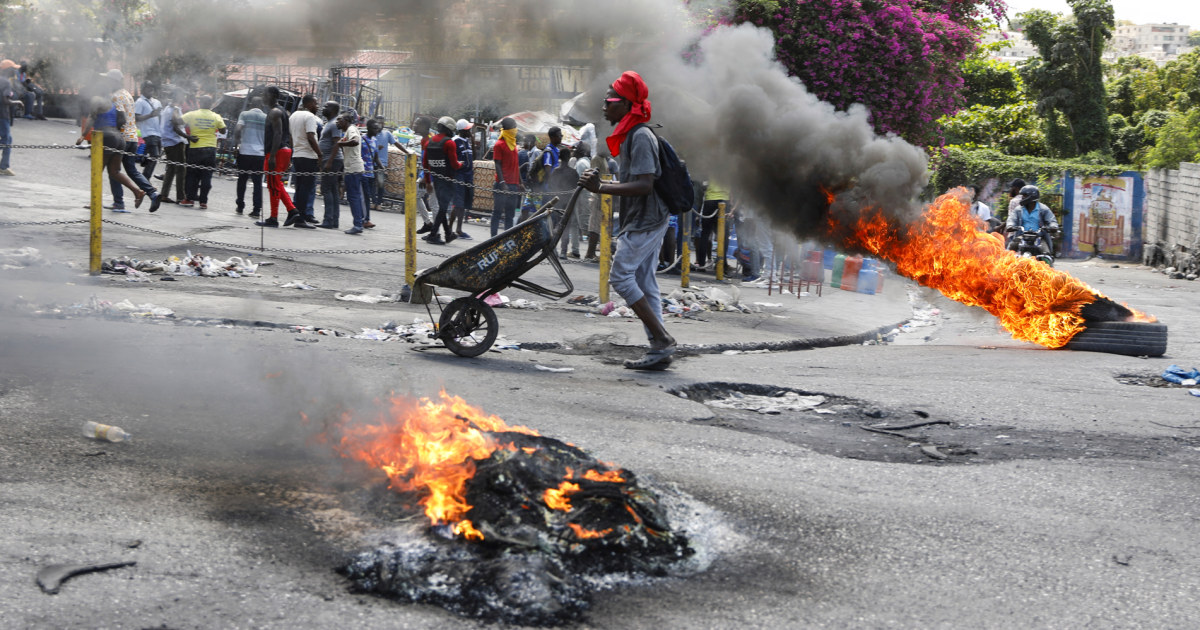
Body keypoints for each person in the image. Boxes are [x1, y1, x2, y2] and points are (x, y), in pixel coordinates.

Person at [579, 70, 676, 370]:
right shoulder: (632, 134)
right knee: (646, 283)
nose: (604, 106)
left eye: (609, 101)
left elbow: (645, 184)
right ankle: (659, 348)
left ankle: (662, 339)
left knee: (621, 277)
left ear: (626, 104)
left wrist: (601, 188)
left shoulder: (641, 136)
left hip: (647, 218)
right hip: (643, 217)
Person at [77, 96, 156, 211]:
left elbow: (91, 118)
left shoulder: (97, 100)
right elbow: (123, 120)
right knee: (115, 172)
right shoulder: (113, 103)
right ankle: (137, 191)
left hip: (106, 137)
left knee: (97, 171)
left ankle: (94, 201)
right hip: (119, 138)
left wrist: (83, 136)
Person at [104, 69, 160, 211]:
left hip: (121, 138)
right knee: (131, 170)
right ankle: (153, 193)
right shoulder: (127, 94)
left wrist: (113, 130)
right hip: (133, 137)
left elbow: (121, 118)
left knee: (114, 171)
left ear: (114, 81)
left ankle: (118, 202)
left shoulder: (116, 96)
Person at [254, 86, 296, 227]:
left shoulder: (275, 112)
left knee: (273, 185)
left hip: (277, 152)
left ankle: (273, 217)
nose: (263, 97)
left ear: (272, 96)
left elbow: (278, 134)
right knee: (276, 183)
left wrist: (272, 156)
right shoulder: (280, 111)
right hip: (282, 151)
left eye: (265, 94)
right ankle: (292, 210)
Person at [422, 116, 463, 244]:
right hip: (447, 180)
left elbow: (425, 165)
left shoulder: (429, 142)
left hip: (436, 179)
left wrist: (428, 182)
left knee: (442, 208)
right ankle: (433, 235)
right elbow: (454, 165)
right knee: (443, 208)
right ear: (449, 129)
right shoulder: (449, 143)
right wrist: (461, 164)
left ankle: (448, 234)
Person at [178, 94, 224, 210]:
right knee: (207, 175)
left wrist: (187, 136)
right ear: (211, 104)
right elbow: (223, 130)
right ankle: (203, 202)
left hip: (195, 148)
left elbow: (177, 122)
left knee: (192, 175)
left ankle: (189, 199)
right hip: (210, 149)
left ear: (199, 103)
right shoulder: (216, 116)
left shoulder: (192, 114)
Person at [289, 94, 323, 225]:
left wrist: (294, 150)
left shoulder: (293, 115)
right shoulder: (310, 117)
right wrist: (319, 154)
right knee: (306, 189)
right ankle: (301, 218)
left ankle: (296, 214)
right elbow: (310, 136)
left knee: (299, 187)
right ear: (308, 104)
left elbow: (291, 138)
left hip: (297, 155)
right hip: (308, 156)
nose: (317, 106)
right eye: (315, 103)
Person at [231, 95, 267, 216]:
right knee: (257, 182)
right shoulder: (266, 117)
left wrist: (237, 145)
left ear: (251, 105)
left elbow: (238, 129)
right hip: (259, 154)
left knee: (242, 180)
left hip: (245, 151)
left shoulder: (244, 114)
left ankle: (240, 206)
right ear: (262, 106)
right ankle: (256, 209)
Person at [334, 112, 368, 235]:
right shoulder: (347, 131)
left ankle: (358, 224)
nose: (337, 122)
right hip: (352, 168)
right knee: (355, 196)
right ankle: (359, 222)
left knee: (353, 197)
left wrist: (341, 144)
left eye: (340, 119)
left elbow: (356, 141)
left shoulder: (351, 129)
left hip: (353, 168)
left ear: (347, 121)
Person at [1005, 185, 1058, 256]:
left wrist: (1053, 226)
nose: (1022, 198)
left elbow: (1051, 220)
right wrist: (1010, 225)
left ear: (1032, 196)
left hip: (1039, 238)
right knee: (1010, 250)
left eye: (1024, 195)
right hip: (1022, 237)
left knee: (1046, 254)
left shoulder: (1043, 209)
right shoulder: (1018, 209)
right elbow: (1012, 218)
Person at [490, 117, 521, 237]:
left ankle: (507, 239)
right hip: (502, 184)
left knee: (510, 215)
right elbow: (497, 164)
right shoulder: (499, 144)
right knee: (497, 213)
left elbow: (516, 165)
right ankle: (493, 239)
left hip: (513, 185)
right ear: (508, 128)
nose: (515, 129)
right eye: (514, 127)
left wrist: (520, 182)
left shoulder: (513, 144)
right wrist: (502, 182)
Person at [158, 92, 189, 204]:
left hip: (167, 142)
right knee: (181, 169)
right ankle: (181, 196)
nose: (184, 98)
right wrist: (188, 137)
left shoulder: (167, 108)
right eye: (183, 96)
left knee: (171, 168)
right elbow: (176, 127)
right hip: (175, 142)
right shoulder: (175, 109)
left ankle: (164, 194)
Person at [316, 101, 343, 228]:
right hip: (330, 160)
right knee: (332, 190)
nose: (323, 108)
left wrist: (329, 161)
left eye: (326, 106)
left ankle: (328, 220)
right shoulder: (330, 123)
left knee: (326, 189)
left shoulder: (334, 124)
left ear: (333, 110)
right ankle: (334, 220)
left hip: (332, 160)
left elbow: (337, 143)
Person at [697, 179, 729, 271]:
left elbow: (703, 184)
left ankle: (701, 264)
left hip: (710, 200)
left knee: (705, 233)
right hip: (724, 200)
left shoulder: (710, 169)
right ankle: (722, 265)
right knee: (723, 235)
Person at [451, 118, 475, 240]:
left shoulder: (467, 142)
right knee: (458, 203)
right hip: (459, 175)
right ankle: (455, 229)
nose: (470, 132)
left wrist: (473, 142)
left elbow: (472, 158)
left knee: (463, 203)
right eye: (468, 130)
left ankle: (457, 229)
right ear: (462, 131)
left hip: (468, 175)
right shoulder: (455, 141)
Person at [134, 81, 163, 180]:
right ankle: (145, 181)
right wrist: (150, 115)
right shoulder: (139, 102)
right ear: (142, 89)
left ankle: (144, 159)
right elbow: (136, 118)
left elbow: (160, 117)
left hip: (158, 133)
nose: (151, 89)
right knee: (154, 156)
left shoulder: (157, 102)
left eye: (152, 87)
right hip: (148, 133)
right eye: (148, 87)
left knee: (155, 157)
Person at [360, 119, 378, 229]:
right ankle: (365, 219)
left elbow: (375, 156)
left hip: (371, 173)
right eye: (374, 128)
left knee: (368, 197)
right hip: (363, 173)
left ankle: (365, 218)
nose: (376, 130)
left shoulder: (375, 140)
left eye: (377, 128)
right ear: (368, 128)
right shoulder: (362, 139)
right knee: (364, 196)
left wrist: (382, 168)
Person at [0, 66, 17, 176]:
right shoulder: (6, 82)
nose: (15, 72)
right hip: (2, 115)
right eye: (13, 69)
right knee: (6, 140)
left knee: (7, 139)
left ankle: (4, 166)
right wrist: (17, 102)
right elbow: (5, 100)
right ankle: (3, 167)